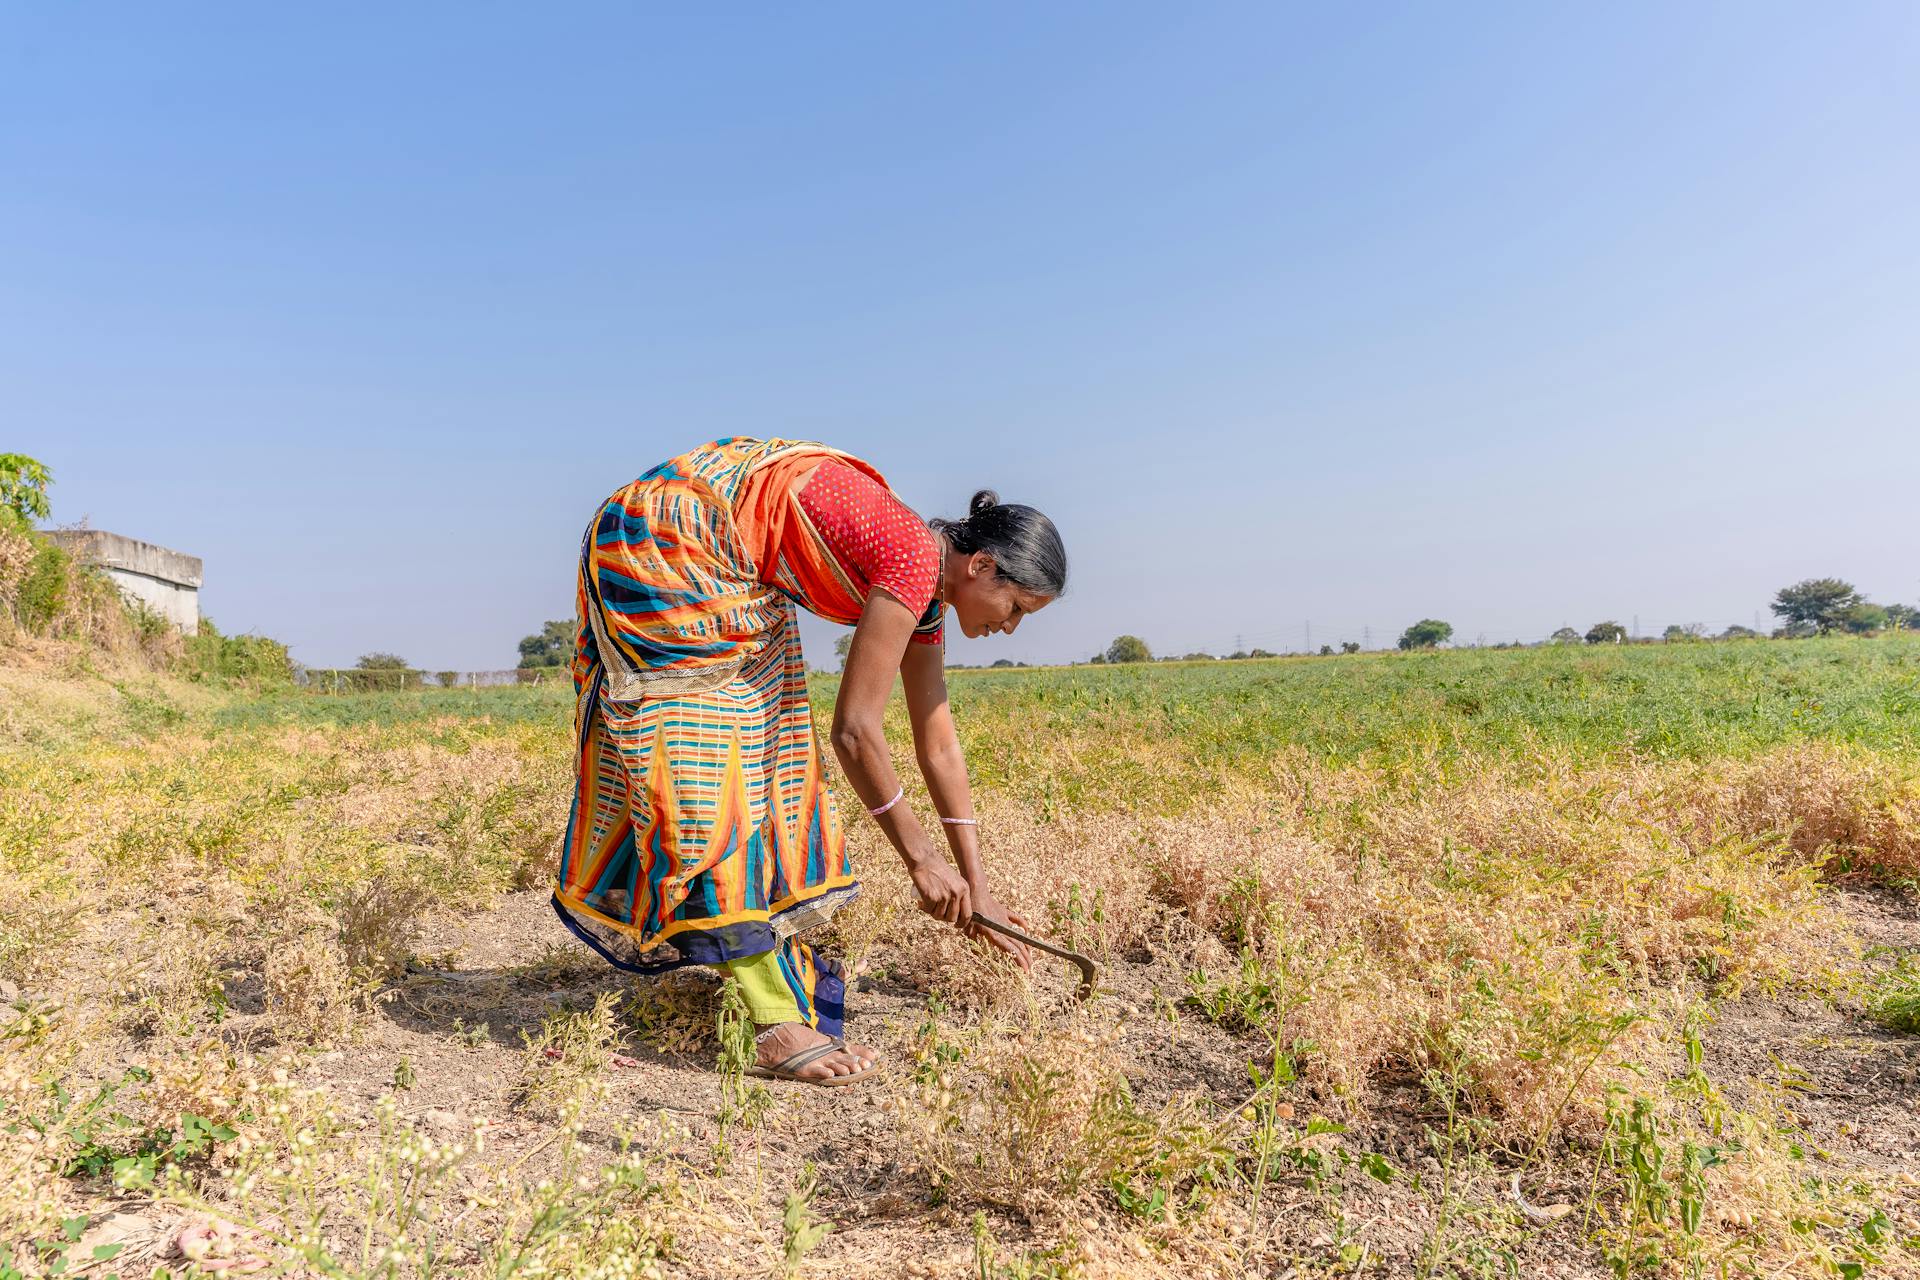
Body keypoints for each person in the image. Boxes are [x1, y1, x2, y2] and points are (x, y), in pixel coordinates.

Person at [551, 437, 1066, 1085]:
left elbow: (938, 742)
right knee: (712, 762)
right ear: (983, 567)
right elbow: (855, 732)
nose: (1011, 627)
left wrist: (978, 892)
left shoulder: (927, 592)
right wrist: (922, 861)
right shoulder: (911, 559)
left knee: (775, 759)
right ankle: (771, 1021)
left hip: (730, 567)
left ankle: (759, 972)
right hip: (667, 541)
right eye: (1017, 607)